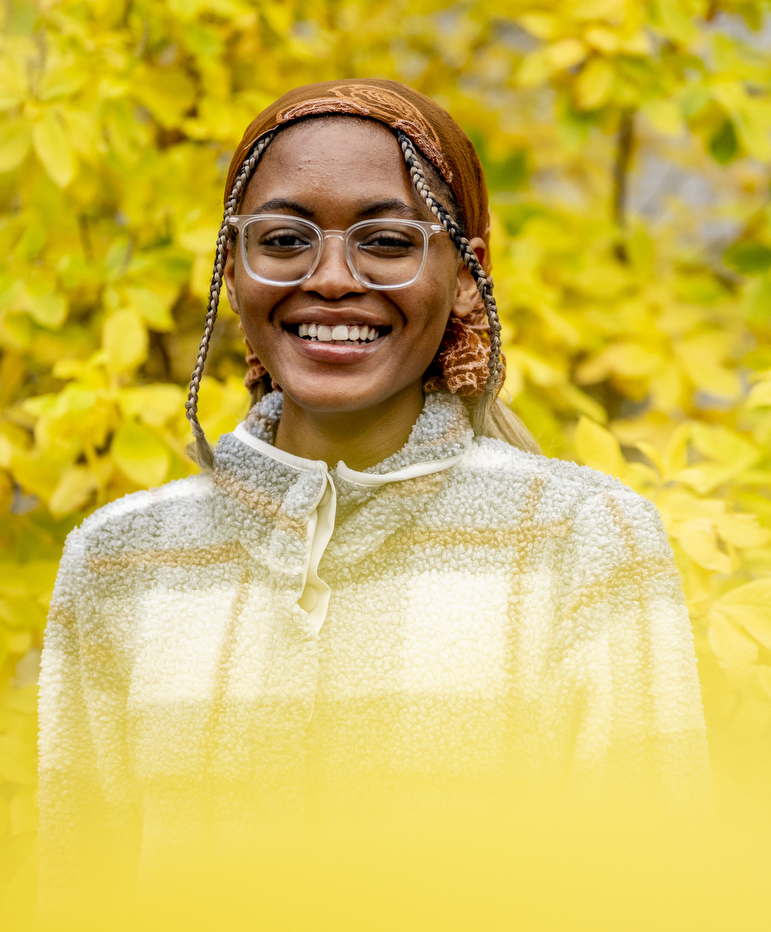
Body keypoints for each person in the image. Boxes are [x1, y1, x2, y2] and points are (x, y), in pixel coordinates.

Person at [36, 79, 708, 916]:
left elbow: (650, 891)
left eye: (386, 240)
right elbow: (78, 896)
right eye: (283, 239)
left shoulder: (581, 540)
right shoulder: (122, 558)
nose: (330, 279)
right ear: (233, 270)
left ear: (466, 273)